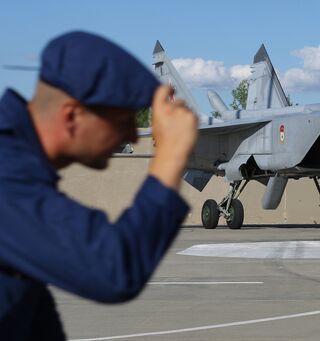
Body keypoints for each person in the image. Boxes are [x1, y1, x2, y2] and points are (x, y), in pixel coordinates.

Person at [0, 31, 198, 339]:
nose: (133, 136)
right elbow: (113, 270)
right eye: (122, 122)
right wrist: (171, 156)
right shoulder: (7, 178)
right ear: (71, 116)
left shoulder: (18, 171)